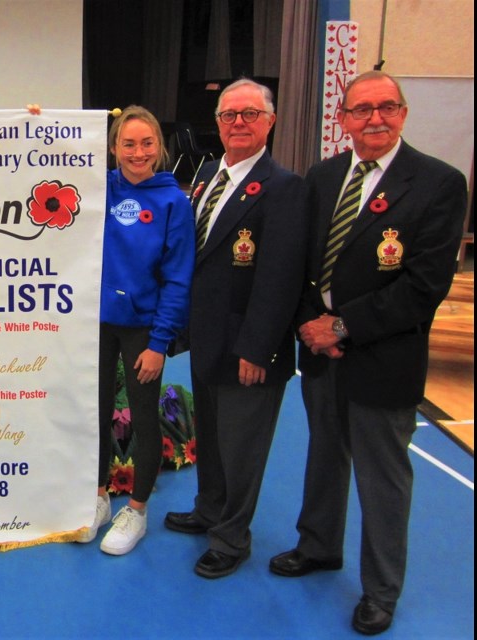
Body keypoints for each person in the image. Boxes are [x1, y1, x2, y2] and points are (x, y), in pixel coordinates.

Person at [269, 71, 467, 635]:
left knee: (383, 479)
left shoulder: (437, 182)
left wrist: (342, 326)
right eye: (361, 110)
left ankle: (381, 590)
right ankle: (318, 546)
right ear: (343, 118)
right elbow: (307, 262)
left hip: (384, 356)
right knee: (324, 456)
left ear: (403, 113)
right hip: (322, 352)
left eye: (386, 107)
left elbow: (424, 286)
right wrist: (311, 320)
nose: (373, 118)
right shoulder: (325, 175)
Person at [162, 79, 307, 579]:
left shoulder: (284, 187)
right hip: (207, 338)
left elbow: (281, 277)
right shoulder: (206, 175)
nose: (238, 123)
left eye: (250, 114)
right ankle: (208, 509)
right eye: (229, 115)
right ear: (217, 123)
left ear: (270, 121)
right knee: (213, 438)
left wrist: (259, 347)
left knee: (243, 448)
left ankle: (232, 537)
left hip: (248, 344)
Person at [77, 105, 195, 555]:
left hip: (143, 329)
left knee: (144, 420)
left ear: (158, 148)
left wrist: (160, 343)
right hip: (96, 325)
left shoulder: (173, 202)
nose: (138, 152)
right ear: (112, 148)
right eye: (128, 143)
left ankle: (138, 510)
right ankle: (100, 498)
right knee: (96, 412)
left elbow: (178, 277)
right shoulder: (97, 188)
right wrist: (37, 122)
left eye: (147, 143)